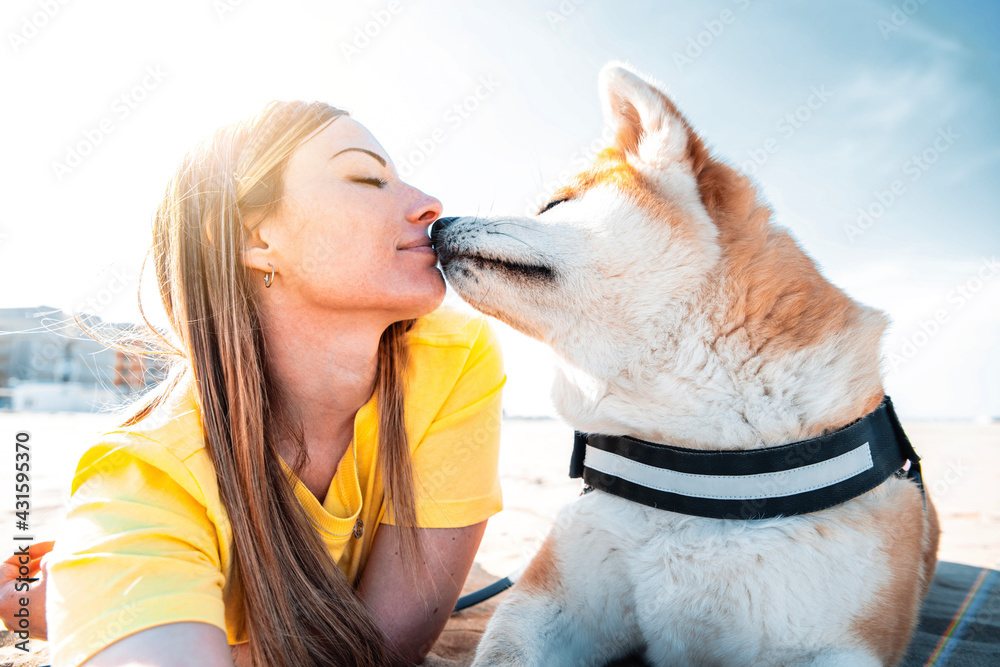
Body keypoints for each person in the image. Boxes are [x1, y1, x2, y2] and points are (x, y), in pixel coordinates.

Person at [0, 101, 506, 667]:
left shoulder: (452, 357)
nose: (428, 204)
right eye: (368, 177)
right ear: (255, 237)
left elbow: (390, 647)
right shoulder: (147, 478)